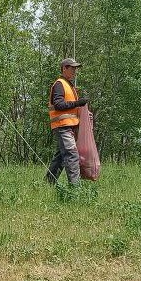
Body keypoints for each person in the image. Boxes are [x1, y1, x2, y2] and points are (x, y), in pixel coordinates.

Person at [45, 57, 89, 186]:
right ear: (64, 68)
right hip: (62, 126)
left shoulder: (69, 85)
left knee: (60, 158)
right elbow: (58, 104)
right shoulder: (59, 84)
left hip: (68, 126)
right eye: (72, 68)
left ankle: (48, 183)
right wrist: (77, 103)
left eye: (76, 68)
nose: (75, 71)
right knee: (71, 155)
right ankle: (75, 189)